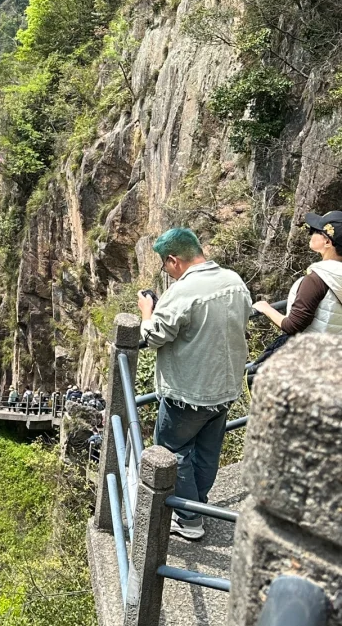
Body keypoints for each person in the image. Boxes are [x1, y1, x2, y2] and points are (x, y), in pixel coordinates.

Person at [137, 227, 252, 541]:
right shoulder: (233, 280)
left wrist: (148, 312)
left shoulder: (183, 291)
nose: (167, 272)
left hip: (189, 392)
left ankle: (189, 519)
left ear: (173, 260)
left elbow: (156, 335)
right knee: (207, 450)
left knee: (174, 451)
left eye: (165, 265)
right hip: (226, 386)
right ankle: (198, 506)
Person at [253, 210, 342, 338]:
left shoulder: (318, 279)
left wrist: (266, 308)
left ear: (327, 242)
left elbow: (293, 326)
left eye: (315, 231)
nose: (311, 234)